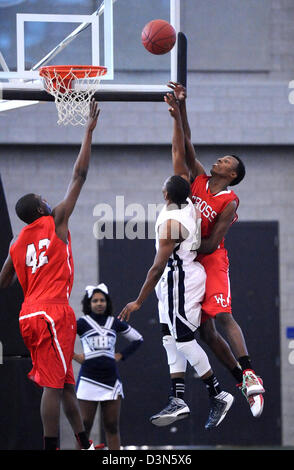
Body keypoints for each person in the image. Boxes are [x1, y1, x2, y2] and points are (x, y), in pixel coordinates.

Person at [150, 83, 265, 426]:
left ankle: (249, 374)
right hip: (189, 262)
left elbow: (214, 241)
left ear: (232, 175)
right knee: (201, 333)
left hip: (210, 258)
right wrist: (180, 109)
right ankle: (231, 384)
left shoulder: (229, 200)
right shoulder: (198, 180)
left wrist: (188, 242)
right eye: (221, 158)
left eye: (227, 161)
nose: (220, 159)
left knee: (223, 316)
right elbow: (185, 146)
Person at [118, 107, 234, 430]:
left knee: (183, 340)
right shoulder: (186, 204)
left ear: (165, 193)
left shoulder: (171, 220)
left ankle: (218, 394)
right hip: (175, 278)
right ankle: (178, 397)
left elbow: (156, 268)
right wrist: (174, 118)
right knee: (170, 339)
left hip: (178, 279)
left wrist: (138, 301)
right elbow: (177, 151)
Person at [0, 99, 101, 450]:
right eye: (44, 198)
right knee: (52, 385)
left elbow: (3, 282)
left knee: (64, 382)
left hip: (29, 312)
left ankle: (84, 443)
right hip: (53, 311)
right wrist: (87, 133)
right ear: (41, 208)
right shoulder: (56, 219)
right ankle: (51, 446)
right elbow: (80, 176)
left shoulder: (16, 242)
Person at [73, 283, 143, 450]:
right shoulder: (82, 323)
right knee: (84, 427)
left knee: (111, 425)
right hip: (88, 378)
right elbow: (61, 339)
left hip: (111, 381)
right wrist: (74, 356)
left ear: (107, 302)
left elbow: (138, 339)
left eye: (102, 300)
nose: (99, 303)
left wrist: (121, 355)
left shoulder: (114, 322)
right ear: (88, 303)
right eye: (95, 300)